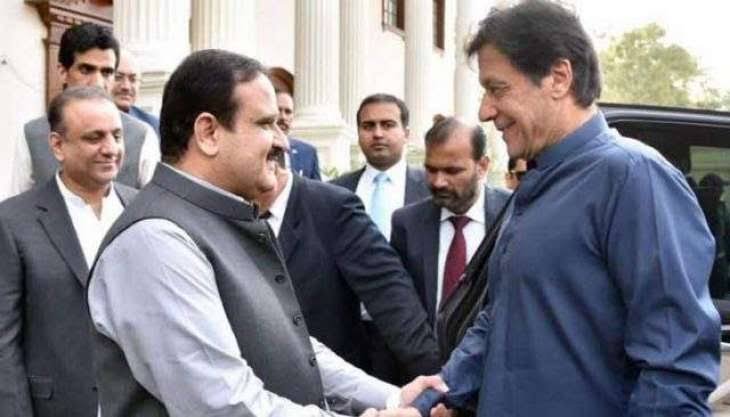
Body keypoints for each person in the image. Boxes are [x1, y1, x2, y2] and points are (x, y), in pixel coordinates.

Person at [388, 2, 720, 416]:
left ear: (559, 78)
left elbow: (673, 365)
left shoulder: (634, 177)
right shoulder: (536, 186)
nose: (485, 111)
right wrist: (429, 399)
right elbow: (498, 322)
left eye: (497, 89)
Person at [87, 49, 403, 417]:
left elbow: (288, 345)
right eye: (266, 124)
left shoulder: (221, 219)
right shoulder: (156, 242)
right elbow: (222, 404)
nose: (283, 143)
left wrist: (393, 399)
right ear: (208, 133)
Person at [0, 86, 137, 417]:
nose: (110, 149)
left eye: (116, 135)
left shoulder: (143, 210)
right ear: (57, 145)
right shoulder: (13, 221)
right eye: (94, 138)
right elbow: (3, 341)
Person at [254, 156, 441, 391]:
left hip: (332, 393)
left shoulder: (331, 207)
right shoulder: (222, 215)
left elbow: (391, 297)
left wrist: (437, 385)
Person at [10, 23, 159, 196]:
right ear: (63, 72)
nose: (97, 82)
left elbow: (155, 207)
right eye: (86, 70)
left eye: (106, 72)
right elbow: (16, 207)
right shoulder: (32, 134)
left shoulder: (142, 136)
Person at [390, 116, 510, 328]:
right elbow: (400, 304)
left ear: (482, 166)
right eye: (431, 170)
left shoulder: (512, 212)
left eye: (452, 171)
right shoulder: (407, 224)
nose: (438, 182)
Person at [331, 94, 430, 239]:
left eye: (388, 125)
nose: (377, 134)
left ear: (406, 134)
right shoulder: (335, 191)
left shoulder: (431, 188)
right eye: (368, 126)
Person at [111, 49, 160, 135]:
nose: (126, 86)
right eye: (118, 77)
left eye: (133, 79)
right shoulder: (88, 119)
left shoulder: (153, 126)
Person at [275, 88, 322, 180]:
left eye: (288, 112)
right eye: (278, 110)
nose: (283, 117)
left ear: (293, 117)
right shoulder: (256, 149)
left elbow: (316, 188)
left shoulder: (308, 153)